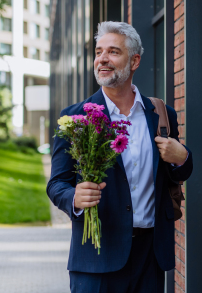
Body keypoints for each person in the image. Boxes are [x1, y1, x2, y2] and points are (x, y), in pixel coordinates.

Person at [47, 21, 193, 293]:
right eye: (99, 51)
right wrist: (74, 199)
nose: (102, 58)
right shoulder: (75, 119)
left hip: (150, 257)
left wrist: (182, 157)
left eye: (113, 51)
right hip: (96, 258)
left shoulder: (160, 114)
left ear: (134, 61)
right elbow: (56, 184)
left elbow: (177, 173)